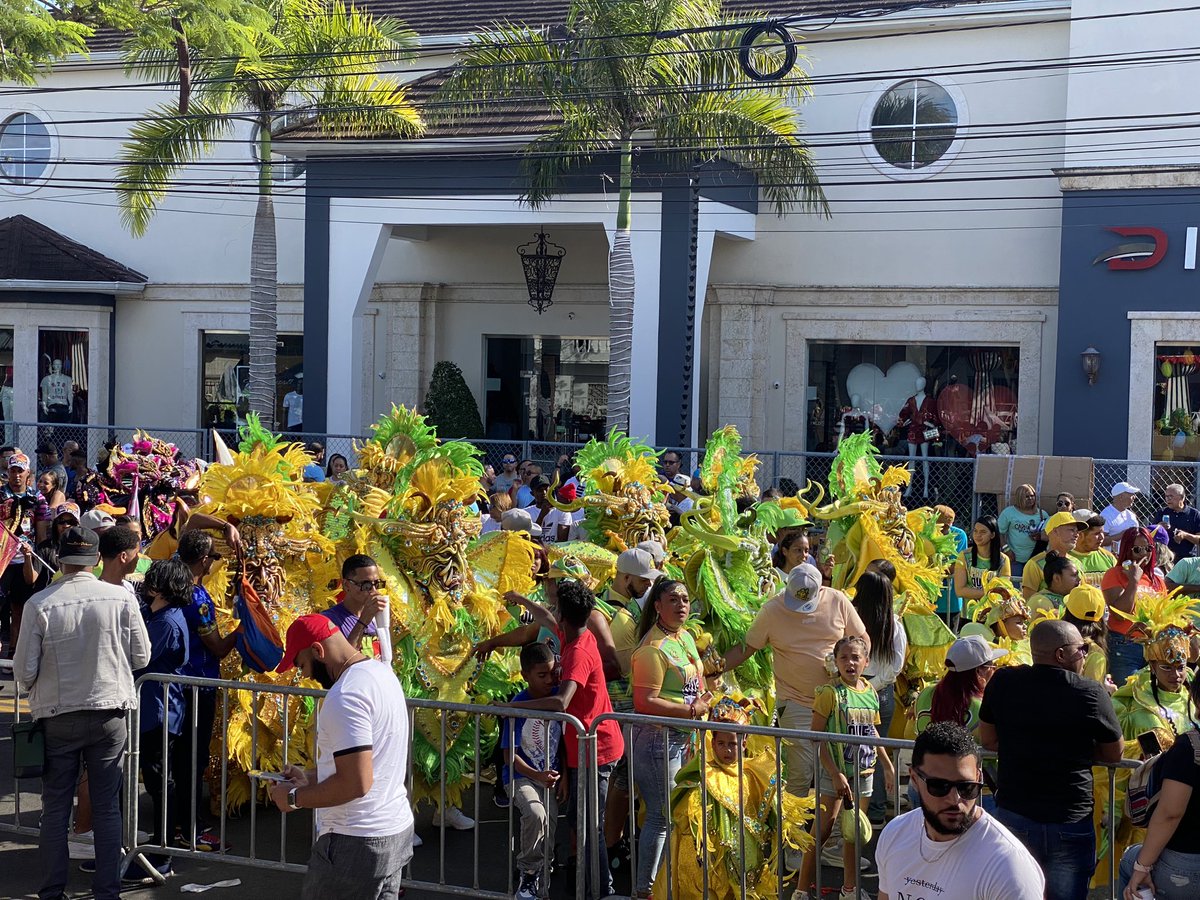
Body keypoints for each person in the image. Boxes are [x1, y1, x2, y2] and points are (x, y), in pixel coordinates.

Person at [14, 525, 151, 900]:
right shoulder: (120, 598)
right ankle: (107, 890)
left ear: (60, 559)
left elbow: (24, 671)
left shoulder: (40, 603)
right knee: (107, 808)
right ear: (96, 560)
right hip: (109, 711)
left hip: (58, 714)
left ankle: (52, 891)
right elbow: (142, 656)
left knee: (56, 809)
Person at [270, 614, 415, 900]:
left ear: (318, 650)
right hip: (392, 829)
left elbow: (355, 783)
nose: (306, 676)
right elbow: (371, 763)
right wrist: (309, 778)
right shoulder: (381, 673)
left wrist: (294, 798)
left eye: (302, 665)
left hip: (356, 840)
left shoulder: (346, 695)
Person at [979, 618, 1125, 900]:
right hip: (1070, 822)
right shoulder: (1090, 692)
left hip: (1015, 814)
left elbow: (989, 741)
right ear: (1061, 654)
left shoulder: (1003, 682)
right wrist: (1080, 752)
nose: (1085, 654)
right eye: (1081, 648)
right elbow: (1114, 753)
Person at [501, 579, 624, 899]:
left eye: (557, 610)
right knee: (580, 825)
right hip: (582, 747)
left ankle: (601, 890)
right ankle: (589, 887)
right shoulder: (574, 632)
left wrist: (513, 707)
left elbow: (561, 702)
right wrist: (522, 600)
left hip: (596, 748)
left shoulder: (579, 650)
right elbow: (545, 616)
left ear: (564, 617)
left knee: (589, 827)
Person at [720, 564, 868, 805]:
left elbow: (862, 640)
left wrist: (849, 668)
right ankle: (793, 828)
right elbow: (746, 648)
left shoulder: (837, 600)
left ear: (820, 590)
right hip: (796, 702)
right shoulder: (772, 610)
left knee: (839, 771)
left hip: (838, 702)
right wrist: (712, 668)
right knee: (801, 773)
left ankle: (832, 828)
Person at [658, 696, 814, 900]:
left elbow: (773, 810)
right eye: (721, 743)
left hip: (745, 853)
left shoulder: (754, 775)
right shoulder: (704, 774)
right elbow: (688, 817)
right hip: (711, 857)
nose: (727, 750)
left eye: (732, 744)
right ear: (713, 743)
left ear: (744, 743)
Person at [875, 722, 1045, 900]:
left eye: (966, 787)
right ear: (914, 779)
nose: (955, 799)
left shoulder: (1008, 867)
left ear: (978, 777)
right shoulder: (895, 834)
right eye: (939, 786)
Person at [626, 578, 707, 897]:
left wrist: (706, 698)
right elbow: (644, 702)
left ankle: (667, 887)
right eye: (673, 599)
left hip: (684, 739)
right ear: (658, 606)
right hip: (658, 741)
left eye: (685, 599)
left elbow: (694, 680)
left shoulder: (684, 636)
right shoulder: (652, 648)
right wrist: (691, 710)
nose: (681, 605)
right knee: (661, 816)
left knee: (674, 816)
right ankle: (645, 891)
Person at [798, 635, 895, 900]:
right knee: (822, 830)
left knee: (854, 833)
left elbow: (873, 732)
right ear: (836, 661)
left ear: (866, 662)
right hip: (836, 774)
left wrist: (887, 765)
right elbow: (816, 737)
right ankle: (801, 890)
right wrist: (834, 773)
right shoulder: (829, 693)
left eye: (855, 657)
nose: (850, 663)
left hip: (863, 773)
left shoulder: (871, 692)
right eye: (844, 657)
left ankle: (849, 889)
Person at [173, 531, 241, 851]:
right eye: (213, 557)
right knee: (192, 758)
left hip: (171, 685)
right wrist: (242, 630)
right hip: (197, 687)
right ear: (203, 560)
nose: (214, 563)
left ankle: (175, 823)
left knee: (176, 758)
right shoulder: (198, 597)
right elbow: (217, 647)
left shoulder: (168, 583)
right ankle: (191, 829)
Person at [1118, 664, 1200, 900]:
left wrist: (1142, 867)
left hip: (1187, 863)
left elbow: (1170, 813)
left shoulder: (1190, 747)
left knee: (1129, 861)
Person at [134, 558, 194, 875]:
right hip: (154, 709)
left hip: (158, 712)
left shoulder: (166, 623)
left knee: (159, 784)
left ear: (161, 588)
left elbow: (137, 658)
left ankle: (161, 853)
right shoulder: (158, 615)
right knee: (158, 781)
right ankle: (159, 846)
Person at [501, 642, 567, 900]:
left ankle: (541, 879)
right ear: (525, 675)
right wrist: (537, 775)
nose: (549, 680)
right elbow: (509, 756)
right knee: (535, 813)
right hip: (521, 776)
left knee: (549, 828)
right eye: (542, 675)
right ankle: (527, 872)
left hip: (549, 778)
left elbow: (563, 743)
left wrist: (565, 776)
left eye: (552, 673)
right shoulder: (519, 704)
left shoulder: (557, 698)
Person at [854, 570, 907, 826]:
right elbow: (896, 666)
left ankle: (857, 811)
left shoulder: (853, 621)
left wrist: (862, 686)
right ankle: (873, 812)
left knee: (854, 751)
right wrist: (872, 686)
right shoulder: (894, 624)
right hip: (880, 691)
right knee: (876, 751)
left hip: (857, 689)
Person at [2, 450, 51, 657]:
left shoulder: (37, 498)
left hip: (25, 560)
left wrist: (38, 556)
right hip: (3, 559)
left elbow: (42, 533)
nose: (16, 475)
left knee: (19, 608)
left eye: (20, 471)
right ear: (8, 472)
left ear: (28, 473)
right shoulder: (1, 495)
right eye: (13, 471)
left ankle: (15, 652)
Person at [1102, 527, 1165, 686]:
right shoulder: (1114, 574)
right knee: (1127, 693)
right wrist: (1133, 582)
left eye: (1148, 548)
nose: (1144, 554)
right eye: (1137, 549)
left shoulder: (1157, 580)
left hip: (1153, 646)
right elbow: (1120, 614)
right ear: (1127, 550)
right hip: (1125, 645)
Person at [320, 554, 388, 661]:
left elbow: (388, 657)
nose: (374, 591)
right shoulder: (328, 620)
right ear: (347, 585)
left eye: (377, 584)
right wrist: (364, 620)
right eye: (366, 585)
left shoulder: (377, 617)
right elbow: (342, 661)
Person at [952, 515, 1010, 633]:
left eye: (983, 532)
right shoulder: (964, 556)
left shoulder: (1003, 560)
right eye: (975, 531)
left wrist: (975, 593)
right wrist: (988, 593)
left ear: (992, 535)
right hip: (968, 616)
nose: (978, 535)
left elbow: (1003, 592)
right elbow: (960, 590)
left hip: (994, 618)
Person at [1022, 511, 1088, 598]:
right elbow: (1029, 601)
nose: (1077, 535)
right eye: (1071, 530)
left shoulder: (1077, 563)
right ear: (1055, 531)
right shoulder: (1035, 564)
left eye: (1077, 531)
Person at [997, 483, 1047, 567]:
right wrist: (1006, 549)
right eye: (1027, 496)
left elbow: (1050, 534)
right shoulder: (1009, 512)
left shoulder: (1042, 514)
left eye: (1032, 496)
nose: (1030, 498)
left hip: (1036, 559)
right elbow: (999, 532)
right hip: (1015, 558)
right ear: (1020, 497)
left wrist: (1040, 536)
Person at [1152, 483, 1200, 562]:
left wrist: (1185, 535)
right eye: (1166, 496)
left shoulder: (1194, 514)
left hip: (1186, 560)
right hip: (1165, 559)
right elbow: (1151, 535)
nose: (1168, 499)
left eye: (1171, 496)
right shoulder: (1162, 512)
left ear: (1182, 497)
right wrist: (1158, 527)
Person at [1028, 551, 1082, 616]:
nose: (1079, 579)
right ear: (1057, 578)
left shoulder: (1072, 598)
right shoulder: (1039, 601)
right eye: (1074, 575)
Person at [1072, 512, 1118, 588]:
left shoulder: (1108, 557)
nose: (1102, 537)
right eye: (1097, 533)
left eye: (1102, 532)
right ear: (1080, 535)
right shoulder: (1065, 558)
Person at [1102, 482, 1142, 549]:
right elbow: (1101, 541)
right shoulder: (1106, 515)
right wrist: (1123, 535)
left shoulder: (1131, 515)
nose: (1134, 497)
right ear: (1121, 497)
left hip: (1131, 554)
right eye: (1131, 494)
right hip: (1113, 555)